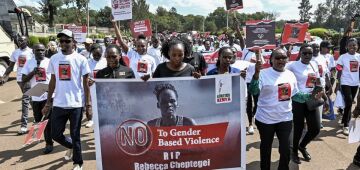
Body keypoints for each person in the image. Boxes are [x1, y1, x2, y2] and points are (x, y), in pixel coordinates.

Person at [41, 29, 91, 170]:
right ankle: (71, 147)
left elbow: (86, 83)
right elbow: (53, 81)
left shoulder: (81, 59)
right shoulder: (54, 58)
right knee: (55, 134)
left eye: (67, 41)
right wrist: (48, 102)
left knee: (75, 135)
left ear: (73, 42)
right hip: (59, 103)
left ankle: (78, 162)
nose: (64, 43)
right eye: (61, 41)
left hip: (75, 104)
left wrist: (87, 104)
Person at [249, 48, 299, 170]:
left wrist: (311, 96)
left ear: (287, 59)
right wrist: (256, 74)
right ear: (271, 60)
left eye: (283, 58)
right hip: (266, 120)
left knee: (286, 148)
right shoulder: (263, 74)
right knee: (266, 148)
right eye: (277, 58)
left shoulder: (290, 74)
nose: (281, 60)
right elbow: (253, 91)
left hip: (285, 118)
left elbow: (296, 95)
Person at [287, 44, 325, 164]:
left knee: (315, 128)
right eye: (305, 53)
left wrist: (322, 93)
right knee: (298, 128)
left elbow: (317, 80)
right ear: (300, 53)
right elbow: (283, 77)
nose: (307, 55)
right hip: (297, 101)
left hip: (311, 99)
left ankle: (302, 146)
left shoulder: (313, 64)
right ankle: (294, 152)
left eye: (310, 53)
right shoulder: (292, 65)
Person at [21, 43, 53, 154]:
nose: (40, 52)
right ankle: (37, 136)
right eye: (38, 50)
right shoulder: (29, 63)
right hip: (36, 94)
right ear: (33, 51)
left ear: (45, 51)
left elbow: (56, 78)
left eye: (42, 50)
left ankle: (49, 143)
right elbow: (24, 79)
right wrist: (33, 72)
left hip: (48, 94)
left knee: (47, 120)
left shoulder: (50, 62)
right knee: (38, 119)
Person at [1, 35, 33, 134]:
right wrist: (5, 75)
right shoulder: (15, 52)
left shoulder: (31, 52)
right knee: (31, 100)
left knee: (25, 100)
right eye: (19, 41)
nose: (20, 42)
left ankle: (24, 126)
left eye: (22, 41)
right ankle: (40, 118)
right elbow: (11, 66)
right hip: (20, 80)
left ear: (27, 41)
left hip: (29, 79)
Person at [335, 38, 360, 135]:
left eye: (354, 45)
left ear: (357, 46)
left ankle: (343, 120)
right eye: (350, 45)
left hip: (355, 83)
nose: (352, 47)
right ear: (347, 47)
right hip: (345, 82)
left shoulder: (359, 56)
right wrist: (338, 82)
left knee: (349, 104)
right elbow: (339, 69)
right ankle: (346, 125)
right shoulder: (343, 57)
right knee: (349, 102)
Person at [311, 43, 332, 128]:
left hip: (321, 85)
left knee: (320, 104)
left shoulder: (322, 58)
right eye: (314, 47)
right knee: (310, 104)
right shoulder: (308, 58)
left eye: (317, 47)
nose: (316, 49)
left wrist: (329, 85)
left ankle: (319, 122)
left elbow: (326, 73)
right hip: (310, 86)